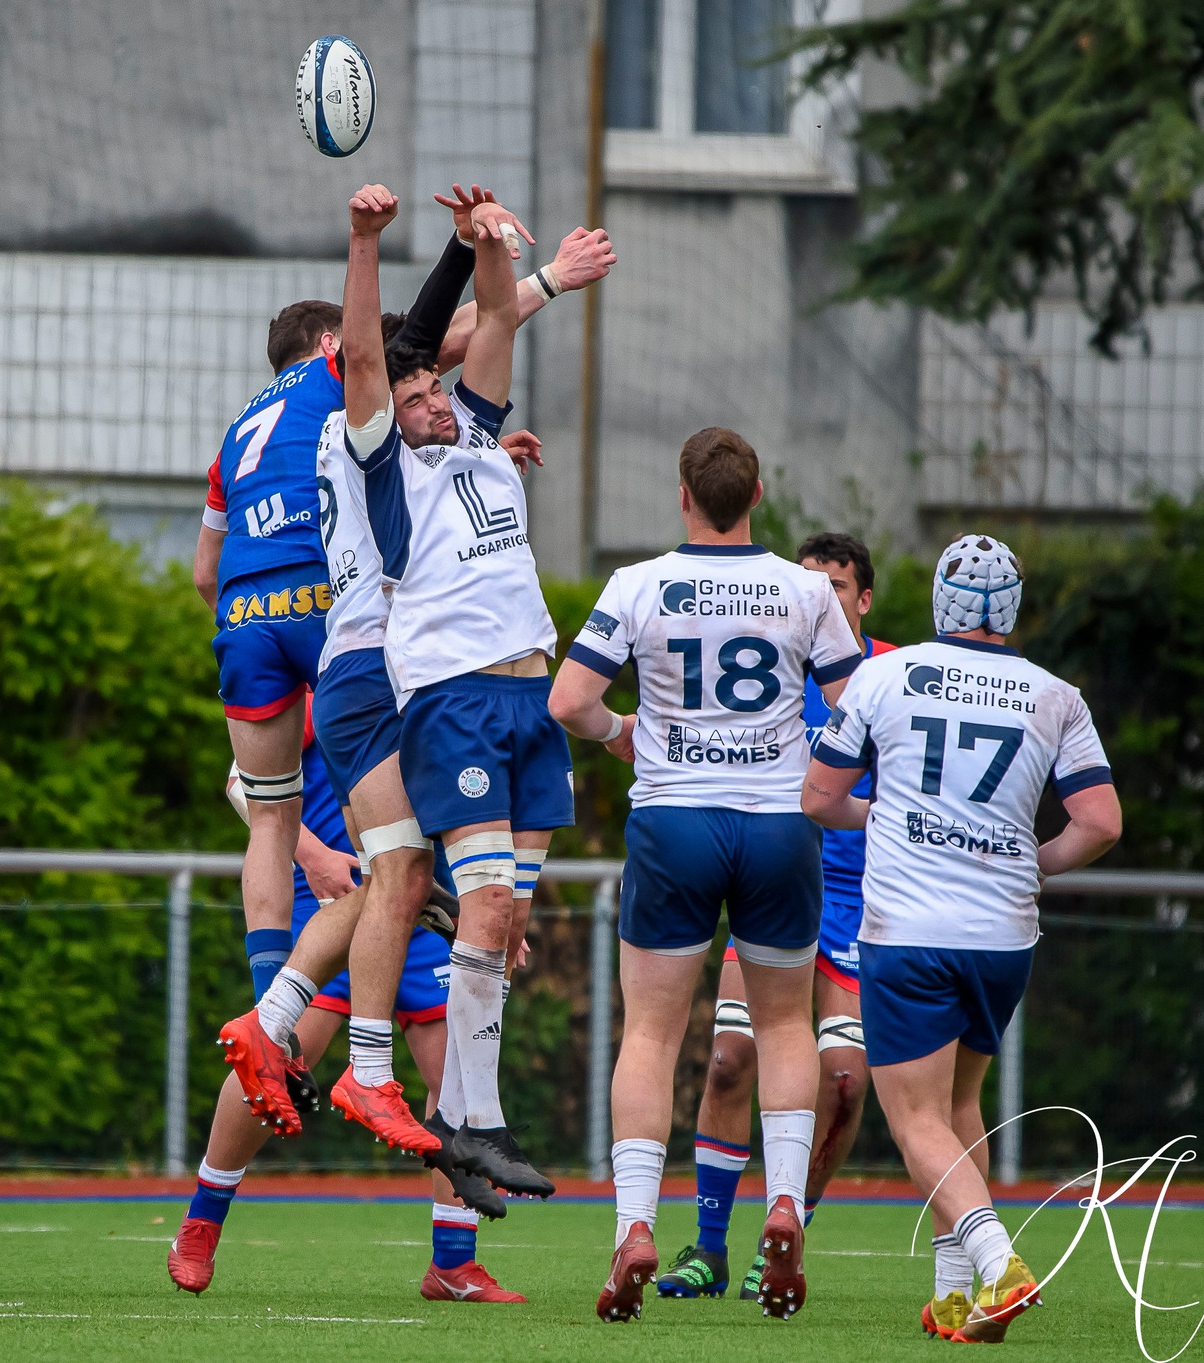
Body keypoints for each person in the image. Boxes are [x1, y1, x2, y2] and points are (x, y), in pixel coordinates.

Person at [194, 189, 614, 1011]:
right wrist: (551, 278)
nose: (413, 378)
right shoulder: (345, 380)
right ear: (331, 342)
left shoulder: (240, 430)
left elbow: (205, 569)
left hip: (243, 616)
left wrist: (460, 463)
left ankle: (262, 1006)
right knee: (398, 844)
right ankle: (366, 998)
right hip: (332, 612)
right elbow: (449, 336)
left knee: (275, 815)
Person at [550, 427, 866, 1323]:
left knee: (651, 1034)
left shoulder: (637, 583)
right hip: (777, 824)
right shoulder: (809, 589)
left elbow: (569, 700)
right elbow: (854, 709)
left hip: (675, 819)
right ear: (757, 493)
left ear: (683, 494)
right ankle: (785, 1204)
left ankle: (637, 1226)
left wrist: (623, 736)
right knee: (785, 1025)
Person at [801, 535, 1121, 1343]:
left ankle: (997, 1262)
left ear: (940, 597)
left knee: (913, 1120)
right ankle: (958, 1296)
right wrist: (1030, 862)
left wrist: (889, 819)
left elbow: (817, 795)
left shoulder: (886, 671)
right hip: (1005, 931)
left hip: (911, 926)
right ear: (1012, 608)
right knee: (957, 1103)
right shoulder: (1057, 694)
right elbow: (1102, 823)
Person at [338, 182, 572, 1200]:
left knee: (507, 928)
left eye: (436, 387)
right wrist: (365, 241)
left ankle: (460, 1118)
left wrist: (487, 244)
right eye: (416, 392)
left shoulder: (476, 436)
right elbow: (360, 360)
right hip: (455, 702)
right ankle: (474, 1116)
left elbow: (500, 316)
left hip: (532, 700)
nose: (433, 398)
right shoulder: (384, 464)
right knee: (478, 903)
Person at [168, 718, 526, 1303]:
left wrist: (491, 908)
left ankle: (453, 1264)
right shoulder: (345, 658)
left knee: (456, 1072)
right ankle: (202, 1221)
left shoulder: (441, 673)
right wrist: (312, 854)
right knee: (273, 1056)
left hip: (423, 904)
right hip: (339, 901)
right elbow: (241, 779)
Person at [656, 531, 897, 1302]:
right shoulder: (772, 662)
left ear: (862, 600)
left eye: (837, 586)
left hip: (862, 907)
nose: (820, 597)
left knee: (845, 1083)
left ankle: (788, 1228)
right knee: (727, 1058)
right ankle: (709, 1245)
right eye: (810, 583)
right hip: (778, 882)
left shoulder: (891, 679)